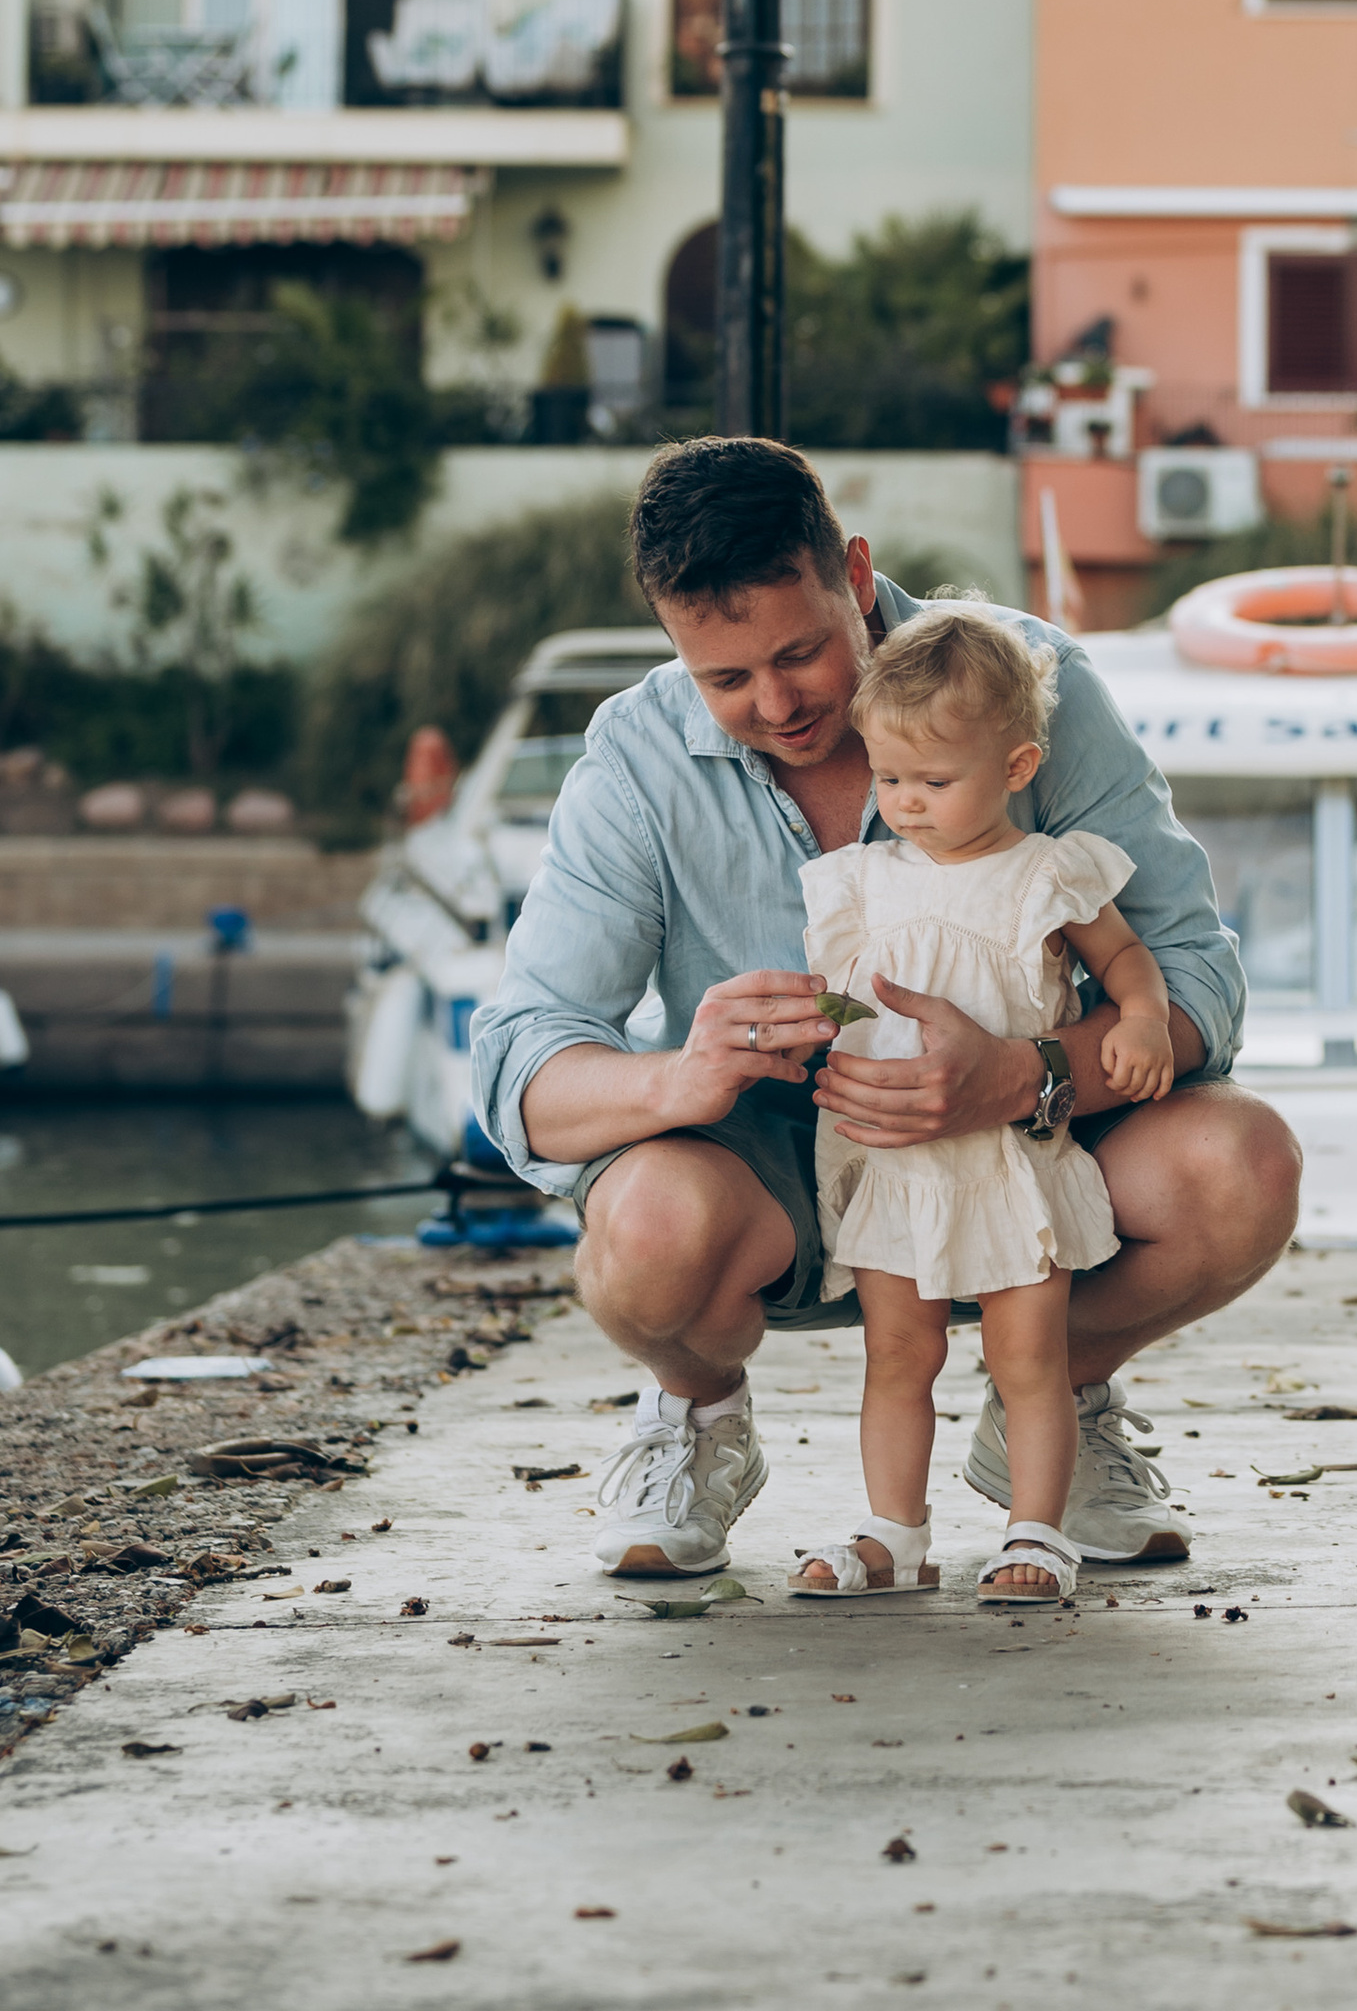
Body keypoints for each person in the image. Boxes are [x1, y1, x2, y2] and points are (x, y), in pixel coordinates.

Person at [467, 436, 1296, 1587]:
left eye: (801, 652)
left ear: (855, 574)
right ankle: (697, 1416)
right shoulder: (635, 753)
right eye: (725, 677)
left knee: (1243, 1165)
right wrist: (677, 1078)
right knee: (647, 1231)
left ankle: (1048, 1398)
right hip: (780, 1185)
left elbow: (1196, 973)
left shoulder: (1027, 680)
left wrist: (1029, 1073)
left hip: (1033, 1161)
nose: (778, 703)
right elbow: (520, 1065)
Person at [795, 603, 1174, 1607]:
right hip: (899, 1162)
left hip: (1009, 1158)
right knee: (896, 1354)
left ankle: (1036, 1530)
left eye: (933, 780)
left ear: (1014, 767)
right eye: (888, 779)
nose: (905, 802)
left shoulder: (1045, 872)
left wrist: (1137, 1017)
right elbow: (846, 996)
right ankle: (893, 1526)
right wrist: (804, 1025)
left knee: (1026, 1358)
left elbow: (1126, 958)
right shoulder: (863, 883)